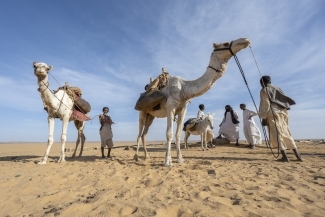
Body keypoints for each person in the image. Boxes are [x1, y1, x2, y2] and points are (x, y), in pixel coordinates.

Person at [259, 75, 303, 162]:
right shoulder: (277, 88)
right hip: (283, 112)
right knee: (286, 132)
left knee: (276, 134)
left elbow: (266, 104)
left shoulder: (264, 90)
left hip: (272, 112)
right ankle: (298, 156)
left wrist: (263, 118)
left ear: (262, 82)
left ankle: (284, 157)